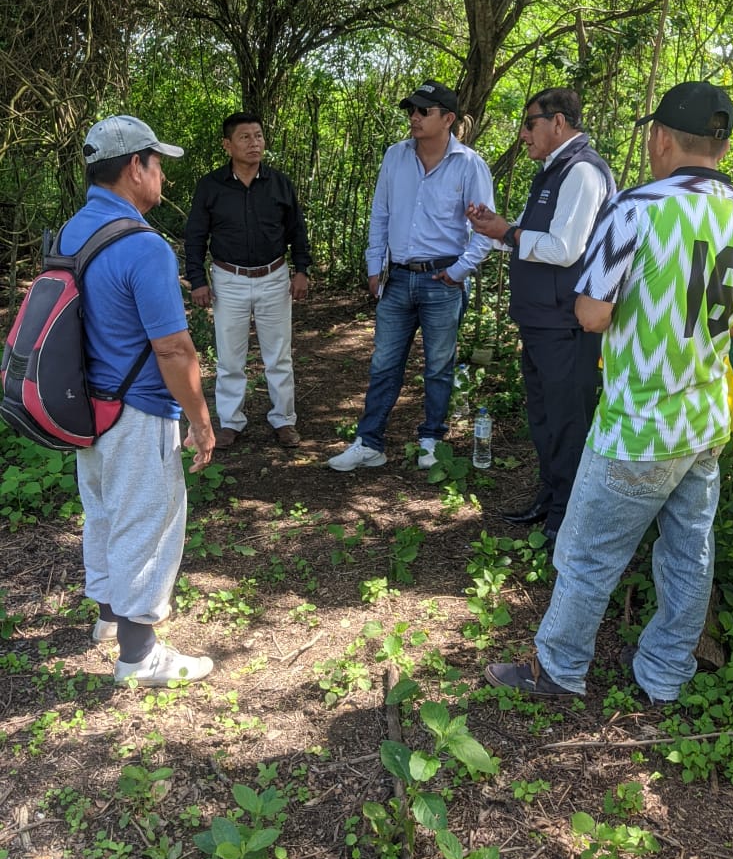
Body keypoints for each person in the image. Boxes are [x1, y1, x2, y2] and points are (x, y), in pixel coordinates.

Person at [484, 81, 733, 704]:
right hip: (703, 422)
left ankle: (559, 669)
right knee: (689, 553)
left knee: (586, 551)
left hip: (639, 421)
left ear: (660, 139)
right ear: (720, 146)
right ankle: (665, 675)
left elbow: (590, 314)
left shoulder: (638, 208)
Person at [60, 115, 216, 687]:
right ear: (135, 167)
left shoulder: (73, 232)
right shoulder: (143, 246)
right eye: (158, 166)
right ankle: (139, 655)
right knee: (147, 520)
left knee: (104, 509)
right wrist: (200, 420)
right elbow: (173, 349)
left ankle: (109, 616)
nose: (163, 179)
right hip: (138, 406)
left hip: (85, 405)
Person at [468, 87, 615, 539]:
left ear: (558, 122)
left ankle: (567, 524)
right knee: (545, 419)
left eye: (530, 123)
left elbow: (565, 249)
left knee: (568, 423)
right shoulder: (553, 171)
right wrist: (497, 230)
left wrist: (508, 232)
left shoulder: (582, 171)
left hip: (566, 324)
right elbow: (535, 239)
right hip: (541, 321)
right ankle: (550, 500)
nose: (524, 134)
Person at [328, 80, 494, 472]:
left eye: (423, 111)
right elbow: (381, 213)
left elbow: (486, 230)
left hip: (443, 280)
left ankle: (431, 440)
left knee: (438, 367)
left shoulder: (469, 164)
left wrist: (458, 272)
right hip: (398, 278)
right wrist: (374, 266)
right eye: (411, 111)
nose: (414, 117)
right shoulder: (396, 156)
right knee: (384, 363)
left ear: (448, 119)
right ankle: (369, 442)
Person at [185, 113, 311, 449]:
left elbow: (297, 230)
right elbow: (195, 236)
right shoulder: (211, 186)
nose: (254, 143)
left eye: (258, 136)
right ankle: (230, 422)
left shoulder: (279, 183)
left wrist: (301, 269)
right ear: (227, 145)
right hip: (229, 279)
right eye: (245, 137)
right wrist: (197, 280)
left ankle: (284, 420)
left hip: (274, 276)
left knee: (279, 355)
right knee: (230, 358)